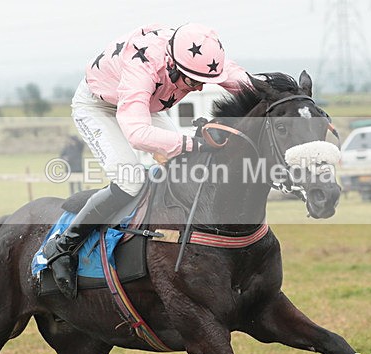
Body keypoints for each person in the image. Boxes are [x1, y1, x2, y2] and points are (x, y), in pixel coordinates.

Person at [41, 23, 250, 298]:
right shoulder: (144, 67)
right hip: (99, 106)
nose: (199, 88)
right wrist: (192, 143)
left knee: (186, 167)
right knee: (131, 181)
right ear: (173, 65)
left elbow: (243, 82)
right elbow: (138, 134)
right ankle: (62, 247)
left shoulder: (197, 55)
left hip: (143, 102)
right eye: (192, 81)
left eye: (204, 81)